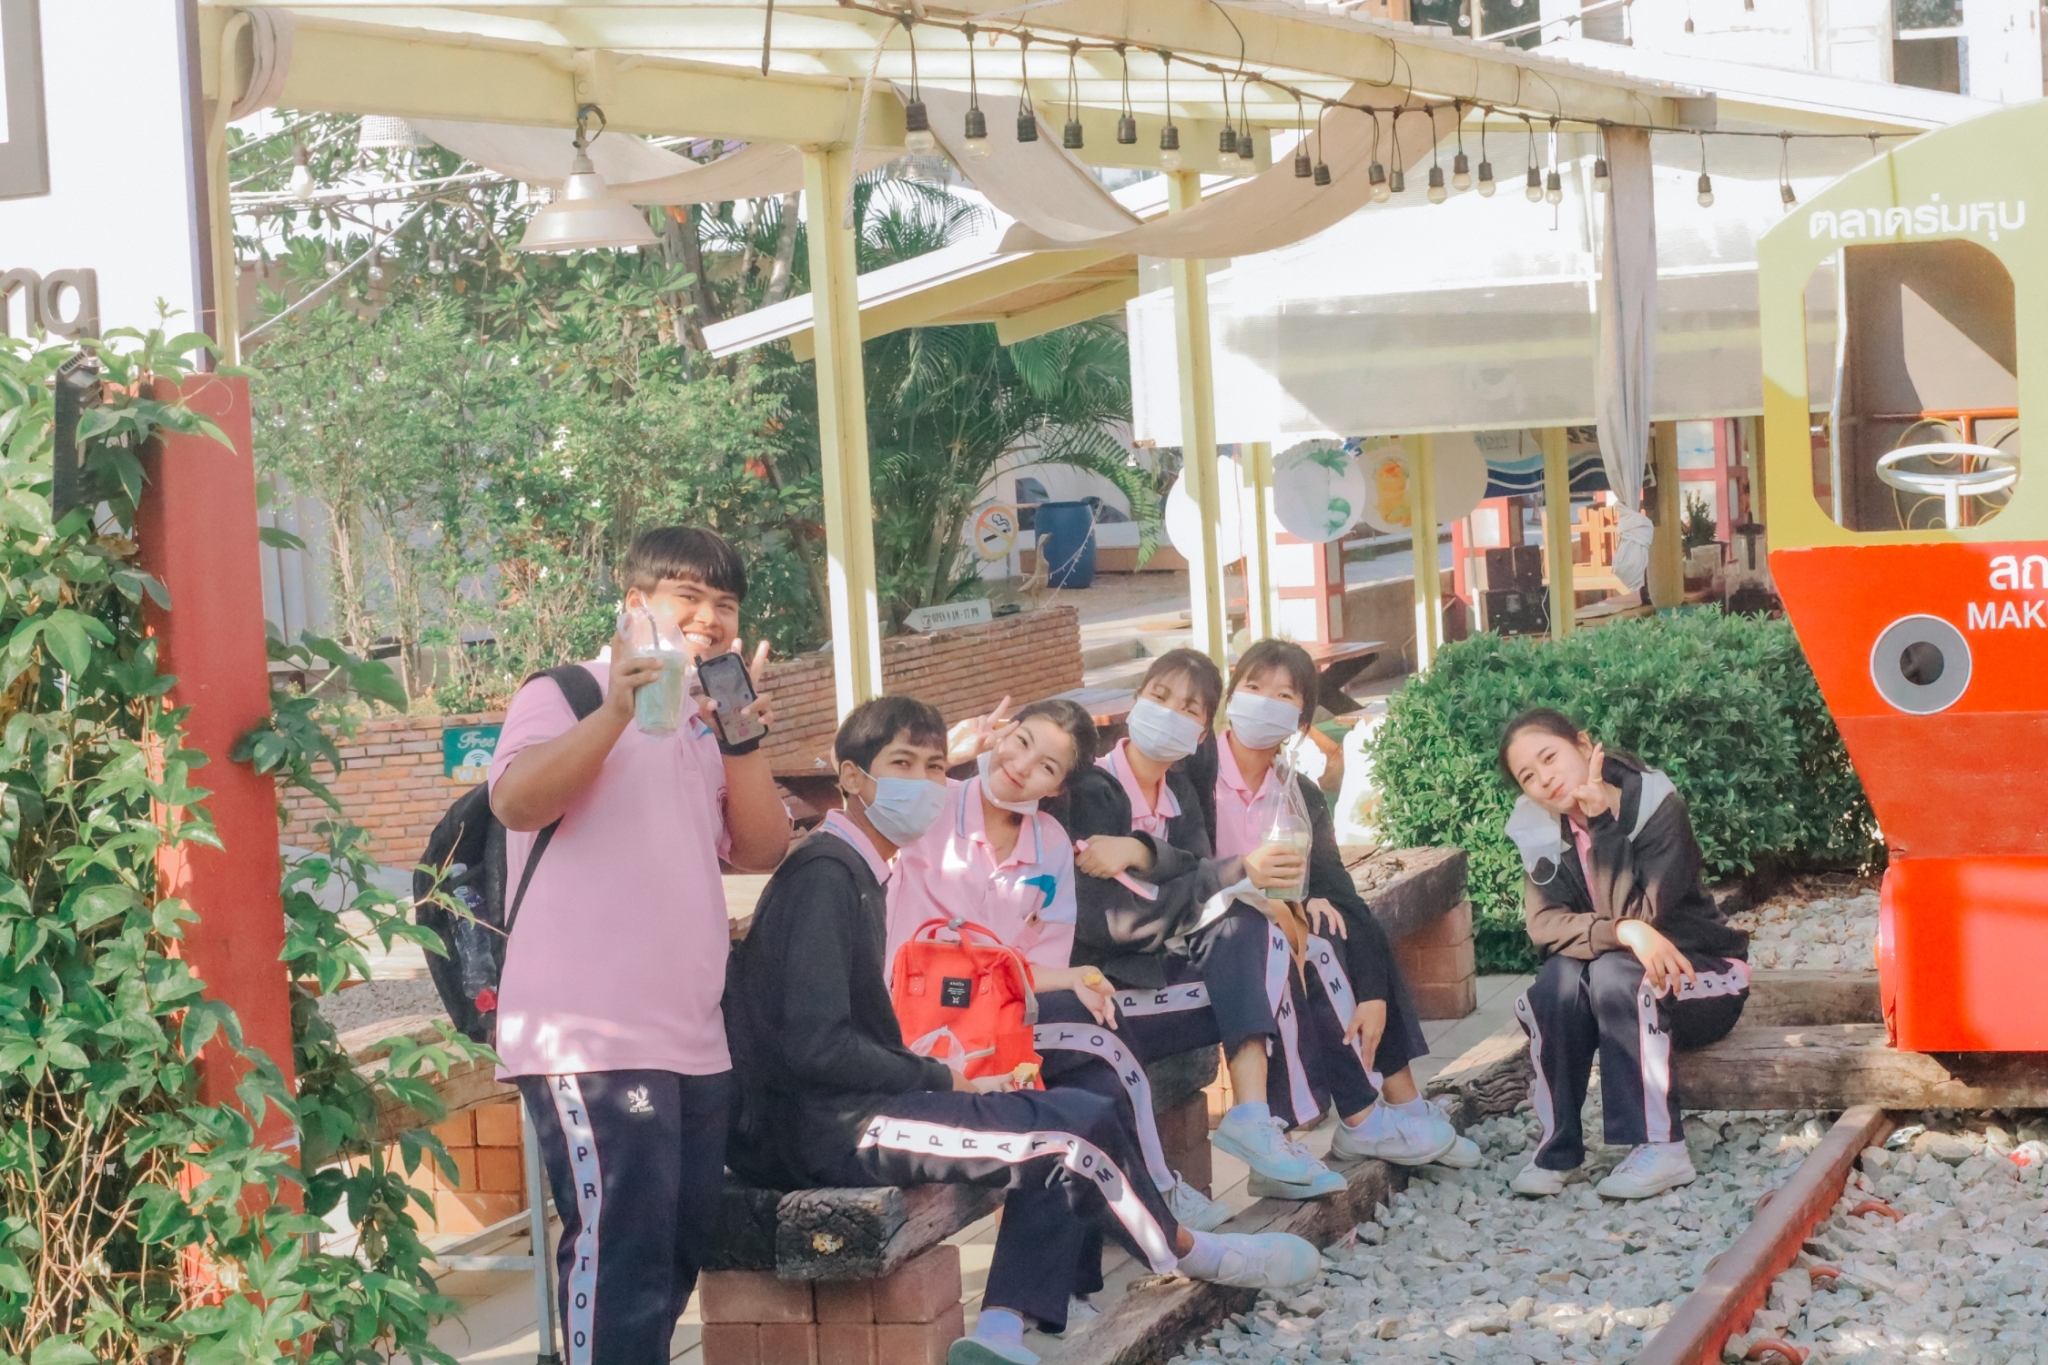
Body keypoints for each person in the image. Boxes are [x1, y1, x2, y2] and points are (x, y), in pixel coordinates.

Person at [727, 696, 1322, 1365]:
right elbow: (814, 1047)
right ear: (851, 776)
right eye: (902, 765)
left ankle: (1002, 1330)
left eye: (932, 767)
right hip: (831, 1128)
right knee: (1065, 1137)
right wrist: (943, 1077)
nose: (921, 784)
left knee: (1076, 1107)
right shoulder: (826, 876)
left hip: (880, 1091)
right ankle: (1193, 1252)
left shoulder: (864, 868)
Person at [485, 526, 793, 1365]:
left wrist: (740, 738)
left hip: (692, 1036)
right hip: (588, 1034)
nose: (709, 617)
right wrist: (619, 710)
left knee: (674, 1251)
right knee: (619, 1254)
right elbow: (515, 802)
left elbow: (762, 847)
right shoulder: (566, 692)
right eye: (687, 596)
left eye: (725, 603)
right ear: (633, 605)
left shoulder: (701, 720)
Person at [1079, 641, 1476, 1194]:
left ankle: (1395, 1104)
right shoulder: (1191, 773)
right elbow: (1186, 875)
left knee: (1332, 926)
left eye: (1284, 695)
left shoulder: (1298, 793)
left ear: (1301, 719)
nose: (1265, 702)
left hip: (1233, 932)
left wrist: (1373, 991)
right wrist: (1257, 894)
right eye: (1253, 687)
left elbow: (1340, 895)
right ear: (1228, 704)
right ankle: (1346, 1119)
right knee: (1286, 942)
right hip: (1201, 939)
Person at [1498, 708, 1751, 1200]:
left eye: (1549, 758)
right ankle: (1558, 1149)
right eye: (1527, 776)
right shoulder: (1540, 828)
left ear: (1582, 744)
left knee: (1617, 975)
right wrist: (1625, 931)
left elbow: (1644, 913)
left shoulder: (1654, 805)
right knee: (1555, 984)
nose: (1544, 779)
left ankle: (1662, 1147)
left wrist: (1601, 824)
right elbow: (1545, 926)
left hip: (1700, 975)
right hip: (1618, 981)